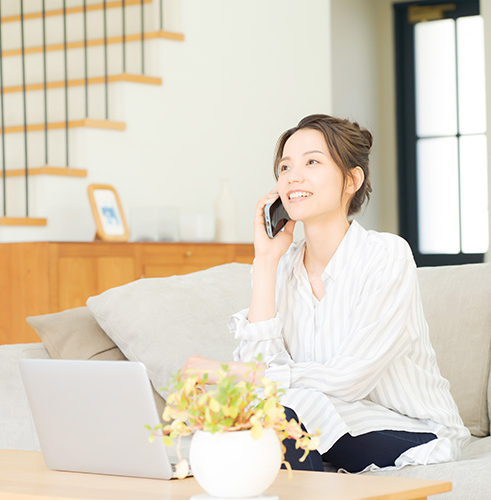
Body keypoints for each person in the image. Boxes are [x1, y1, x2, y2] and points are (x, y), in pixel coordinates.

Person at [182, 114, 470, 473]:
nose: (293, 176)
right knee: (266, 410)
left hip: (413, 428)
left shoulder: (386, 256)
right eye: (285, 167)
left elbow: (349, 379)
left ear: (352, 179)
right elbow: (260, 372)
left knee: (278, 410)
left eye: (312, 162)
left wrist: (230, 373)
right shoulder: (282, 266)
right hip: (327, 420)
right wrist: (266, 261)